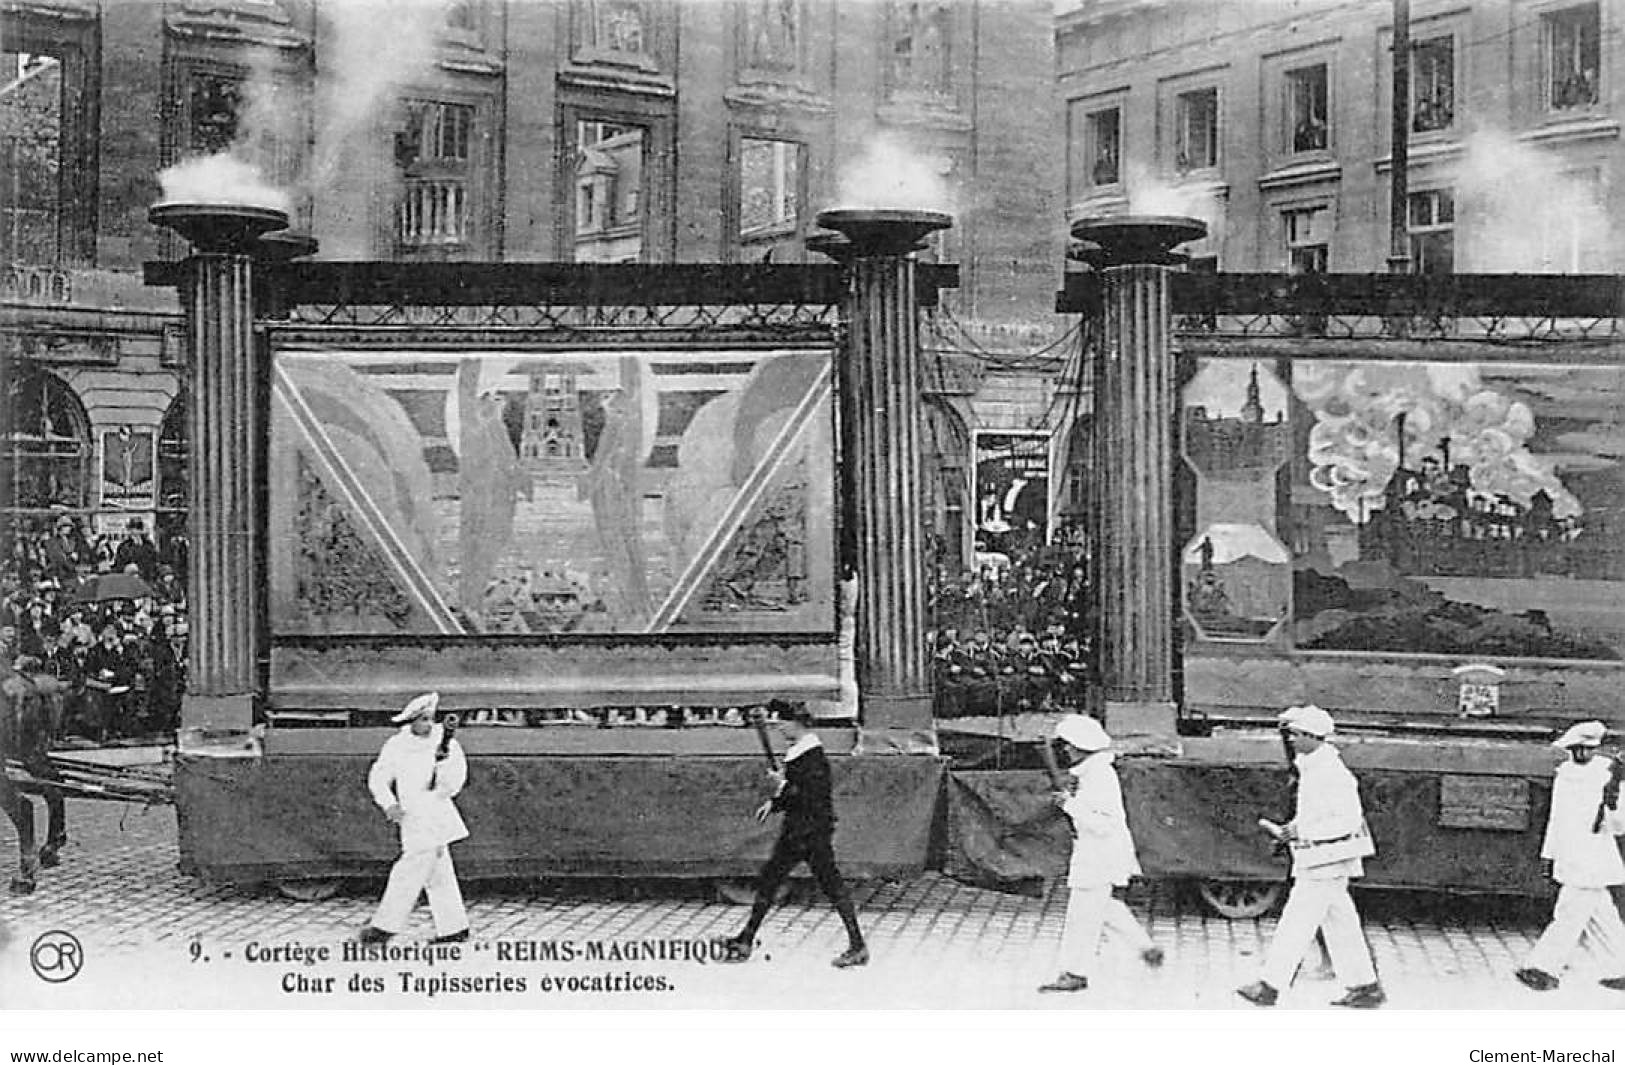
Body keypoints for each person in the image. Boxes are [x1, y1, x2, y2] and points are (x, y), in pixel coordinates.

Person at [1237, 704, 1386, 1008]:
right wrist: (1292, 829)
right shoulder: (1315, 766)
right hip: (1323, 859)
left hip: (1325, 861)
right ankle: (1364, 986)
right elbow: (1315, 814)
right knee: (1340, 922)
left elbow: (1347, 820)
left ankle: (1270, 985)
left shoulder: (1332, 773)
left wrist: (1302, 834)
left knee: (1297, 922)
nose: (1290, 740)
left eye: (1295, 734)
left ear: (1311, 736)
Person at [717, 699, 868, 968]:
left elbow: (810, 797)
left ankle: (857, 946)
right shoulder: (801, 751)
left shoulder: (812, 756)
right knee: (773, 881)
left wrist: (782, 786)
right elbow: (796, 794)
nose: (777, 727)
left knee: (826, 886)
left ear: (795, 723)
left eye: (781, 722)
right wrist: (775, 802)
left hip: (809, 833)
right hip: (802, 830)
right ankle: (746, 939)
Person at [1039, 714, 1163, 992]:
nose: (1066, 751)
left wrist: (1069, 805)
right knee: (1103, 907)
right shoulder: (1092, 773)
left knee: (1081, 915)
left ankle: (1074, 971)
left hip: (1100, 855)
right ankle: (1145, 947)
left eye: (1069, 745)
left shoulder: (1099, 777)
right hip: (1099, 854)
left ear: (1082, 747)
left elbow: (1102, 824)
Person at [1515, 720, 1625, 993]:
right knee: (1602, 916)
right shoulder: (1565, 775)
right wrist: (1549, 855)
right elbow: (1556, 819)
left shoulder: (1609, 776)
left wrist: (1610, 810)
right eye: (1577, 750)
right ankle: (1621, 966)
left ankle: (1542, 967)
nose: (1582, 755)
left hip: (1593, 857)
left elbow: (1621, 824)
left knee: (1569, 914)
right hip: (1570, 853)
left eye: (1588, 750)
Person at [356, 692, 471, 945]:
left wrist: (443, 770)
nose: (428, 725)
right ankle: (454, 928)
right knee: (438, 873)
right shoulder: (397, 745)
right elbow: (379, 777)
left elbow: (455, 781)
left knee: (408, 871)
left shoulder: (446, 743)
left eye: (430, 719)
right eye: (422, 720)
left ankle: (383, 928)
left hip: (436, 814)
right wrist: (389, 804)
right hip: (412, 816)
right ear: (411, 722)